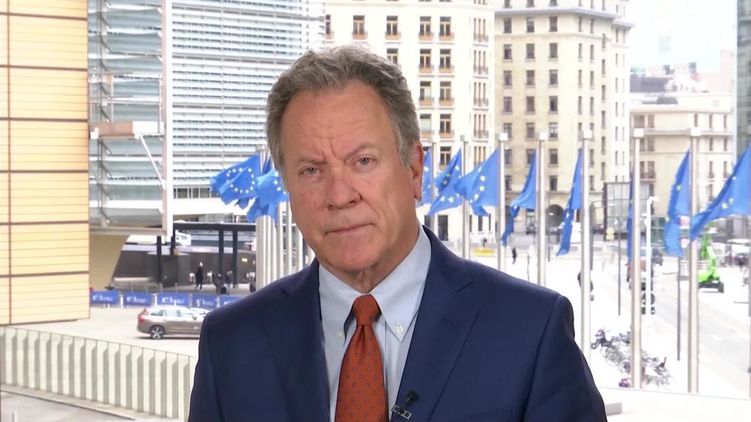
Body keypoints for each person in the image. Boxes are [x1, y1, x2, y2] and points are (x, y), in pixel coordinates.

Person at [188, 46, 606, 422]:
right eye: (311, 170)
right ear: (288, 187)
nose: (340, 195)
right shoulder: (231, 344)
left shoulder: (530, 331)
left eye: (363, 161)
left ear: (414, 169)